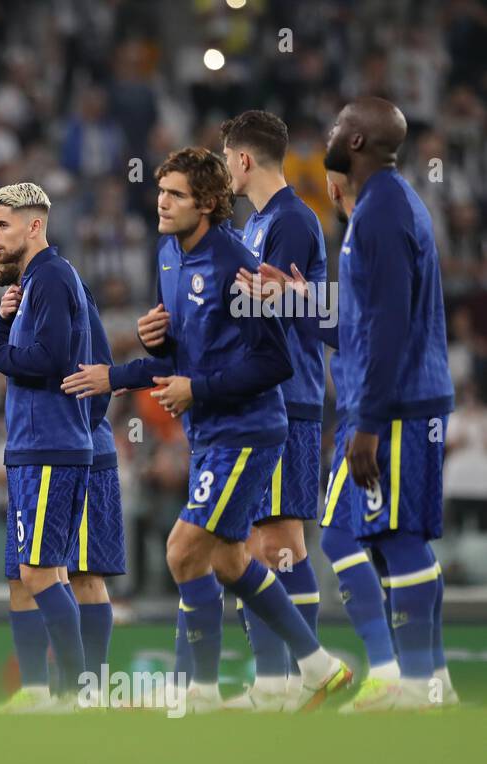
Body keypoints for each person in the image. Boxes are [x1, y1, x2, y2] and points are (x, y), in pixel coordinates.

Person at [62, 147, 352, 713]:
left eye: (175, 195)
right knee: (226, 560)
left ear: (210, 203)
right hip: (211, 432)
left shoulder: (235, 266)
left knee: (182, 551)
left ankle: (200, 691)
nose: (161, 202)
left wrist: (197, 389)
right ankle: (316, 668)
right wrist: (127, 367)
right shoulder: (169, 254)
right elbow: (185, 353)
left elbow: (274, 363)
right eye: (161, 191)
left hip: (249, 431)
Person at [319, 98, 456, 709]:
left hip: (396, 406)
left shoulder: (381, 214)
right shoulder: (379, 207)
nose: (326, 132)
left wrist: (369, 424)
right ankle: (420, 680)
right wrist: (299, 299)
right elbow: (360, 319)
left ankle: (421, 683)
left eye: (334, 126)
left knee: (398, 538)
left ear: (353, 141)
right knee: (350, 535)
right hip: (392, 400)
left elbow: (390, 326)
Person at [0, 202, 125, 712]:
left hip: (75, 444)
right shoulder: (27, 292)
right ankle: (38, 690)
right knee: (24, 573)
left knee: (78, 573)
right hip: (42, 444)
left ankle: (86, 689)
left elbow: (90, 365)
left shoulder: (60, 283)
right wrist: (0, 329)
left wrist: (85, 423)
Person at [220, 110, 332, 710]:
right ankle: (276, 682)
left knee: (282, 539)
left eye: (225, 161)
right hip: (264, 399)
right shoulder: (258, 223)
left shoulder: (290, 220)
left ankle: (294, 680)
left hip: (289, 397)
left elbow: (290, 308)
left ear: (242, 159)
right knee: (258, 543)